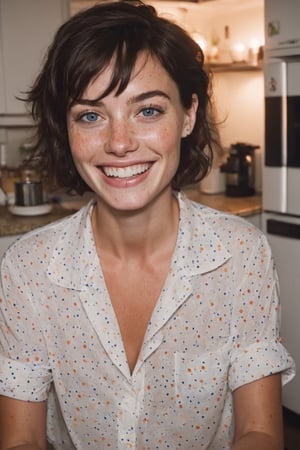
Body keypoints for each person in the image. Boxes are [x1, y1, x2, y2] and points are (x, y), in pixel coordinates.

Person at [0, 1, 295, 449]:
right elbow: (20, 439)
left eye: (149, 110)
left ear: (188, 114)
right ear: (67, 126)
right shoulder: (28, 269)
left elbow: (260, 431)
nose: (119, 143)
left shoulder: (241, 256)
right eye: (91, 116)